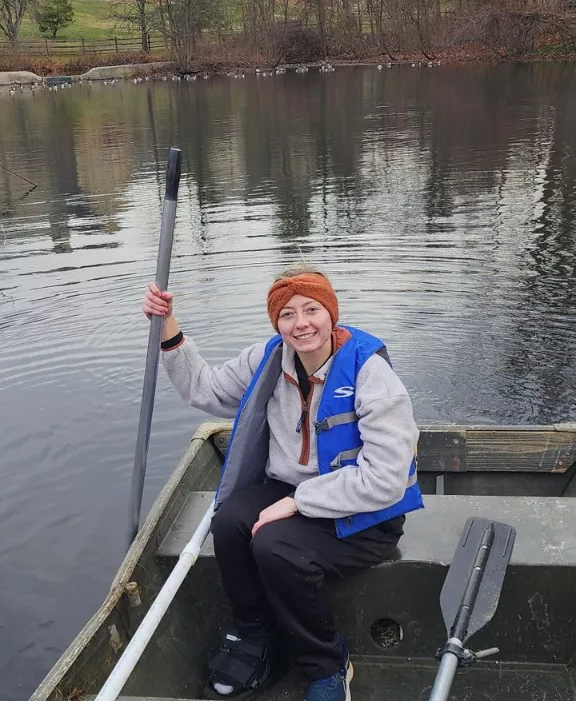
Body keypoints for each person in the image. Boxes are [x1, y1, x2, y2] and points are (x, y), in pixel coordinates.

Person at [142, 265, 422, 701]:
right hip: (291, 489)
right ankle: (257, 639)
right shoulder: (267, 358)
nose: (301, 323)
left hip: (366, 513)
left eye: (312, 309)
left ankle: (329, 666)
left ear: (332, 313)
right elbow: (205, 390)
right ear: (276, 322)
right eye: (287, 314)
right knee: (230, 521)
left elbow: (385, 481)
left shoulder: (371, 375)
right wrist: (169, 330)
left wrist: (298, 502)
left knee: (274, 547)